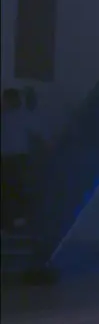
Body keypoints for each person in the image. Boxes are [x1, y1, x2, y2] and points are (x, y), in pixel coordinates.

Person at [2, 88, 39, 230]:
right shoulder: (5, 116)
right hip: (7, 157)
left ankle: (19, 219)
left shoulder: (23, 115)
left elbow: (38, 131)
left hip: (18, 157)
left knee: (18, 187)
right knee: (8, 189)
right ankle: (9, 221)